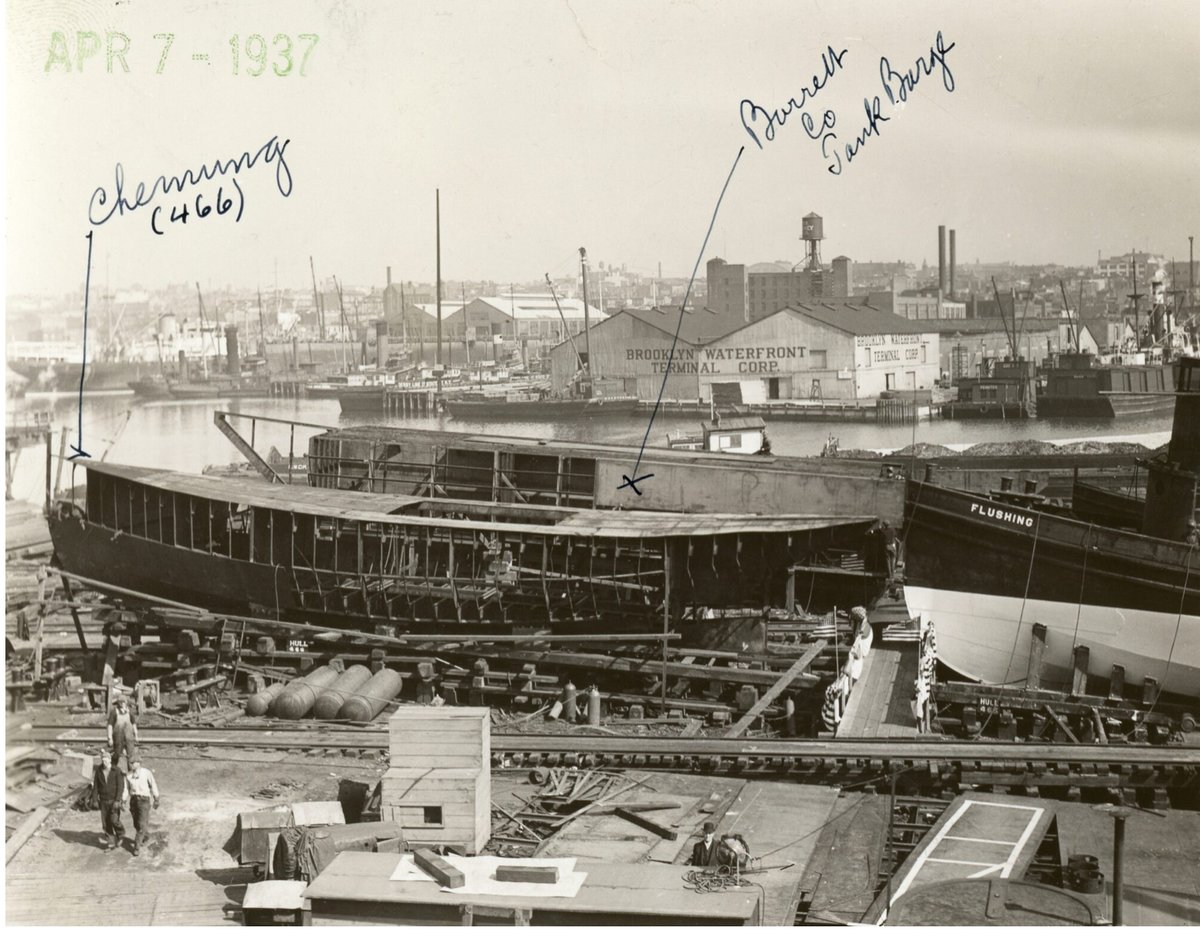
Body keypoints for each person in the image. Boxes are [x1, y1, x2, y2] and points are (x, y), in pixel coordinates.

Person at [92, 750, 128, 850]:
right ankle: (111, 843)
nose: (104, 762)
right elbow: (95, 786)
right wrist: (95, 799)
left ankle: (120, 834)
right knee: (106, 823)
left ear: (110, 760)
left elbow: (120, 787)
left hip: (114, 801)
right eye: (103, 760)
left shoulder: (116, 770)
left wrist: (118, 800)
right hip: (103, 801)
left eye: (106, 760)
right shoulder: (99, 771)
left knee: (114, 820)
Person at [125, 757, 160, 856]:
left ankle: (136, 846)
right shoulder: (128, 775)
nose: (131, 764)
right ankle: (146, 836)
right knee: (136, 824)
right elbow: (126, 789)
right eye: (130, 763)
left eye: (133, 762)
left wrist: (156, 798)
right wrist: (123, 800)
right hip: (133, 801)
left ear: (139, 763)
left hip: (144, 800)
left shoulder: (146, 773)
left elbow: (153, 785)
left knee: (141, 824)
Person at [107, 695, 139, 769]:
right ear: (118, 703)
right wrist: (110, 738)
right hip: (118, 737)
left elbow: (134, 724)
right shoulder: (114, 712)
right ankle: (113, 769)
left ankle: (131, 770)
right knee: (117, 753)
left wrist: (136, 735)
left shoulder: (130, 711)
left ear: (126, 702)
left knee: (131, 754)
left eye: (123, 702)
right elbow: (110, 726)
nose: (122, 704)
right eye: (120, 702)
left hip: (129, 737)